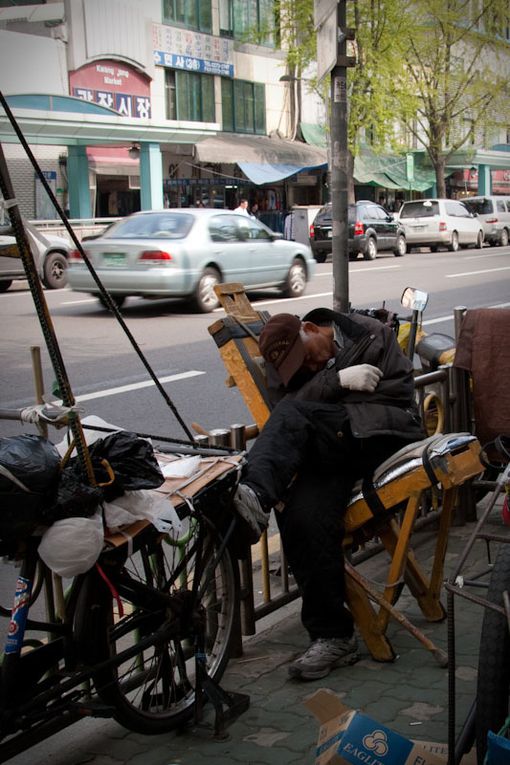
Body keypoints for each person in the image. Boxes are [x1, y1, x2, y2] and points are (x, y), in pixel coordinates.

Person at [233, 307, 424, 681]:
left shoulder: (368, 334)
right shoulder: (288, 367)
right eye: (297, 367)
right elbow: (288, 405)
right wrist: (337, 381)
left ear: (310, 328)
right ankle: (332, 636)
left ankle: (254, 492)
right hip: (332, 449)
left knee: (293, 414)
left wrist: (325, 393)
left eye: (306, 356)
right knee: (300, 514)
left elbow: (396, 391)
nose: (307, 365)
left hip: (380, 438)